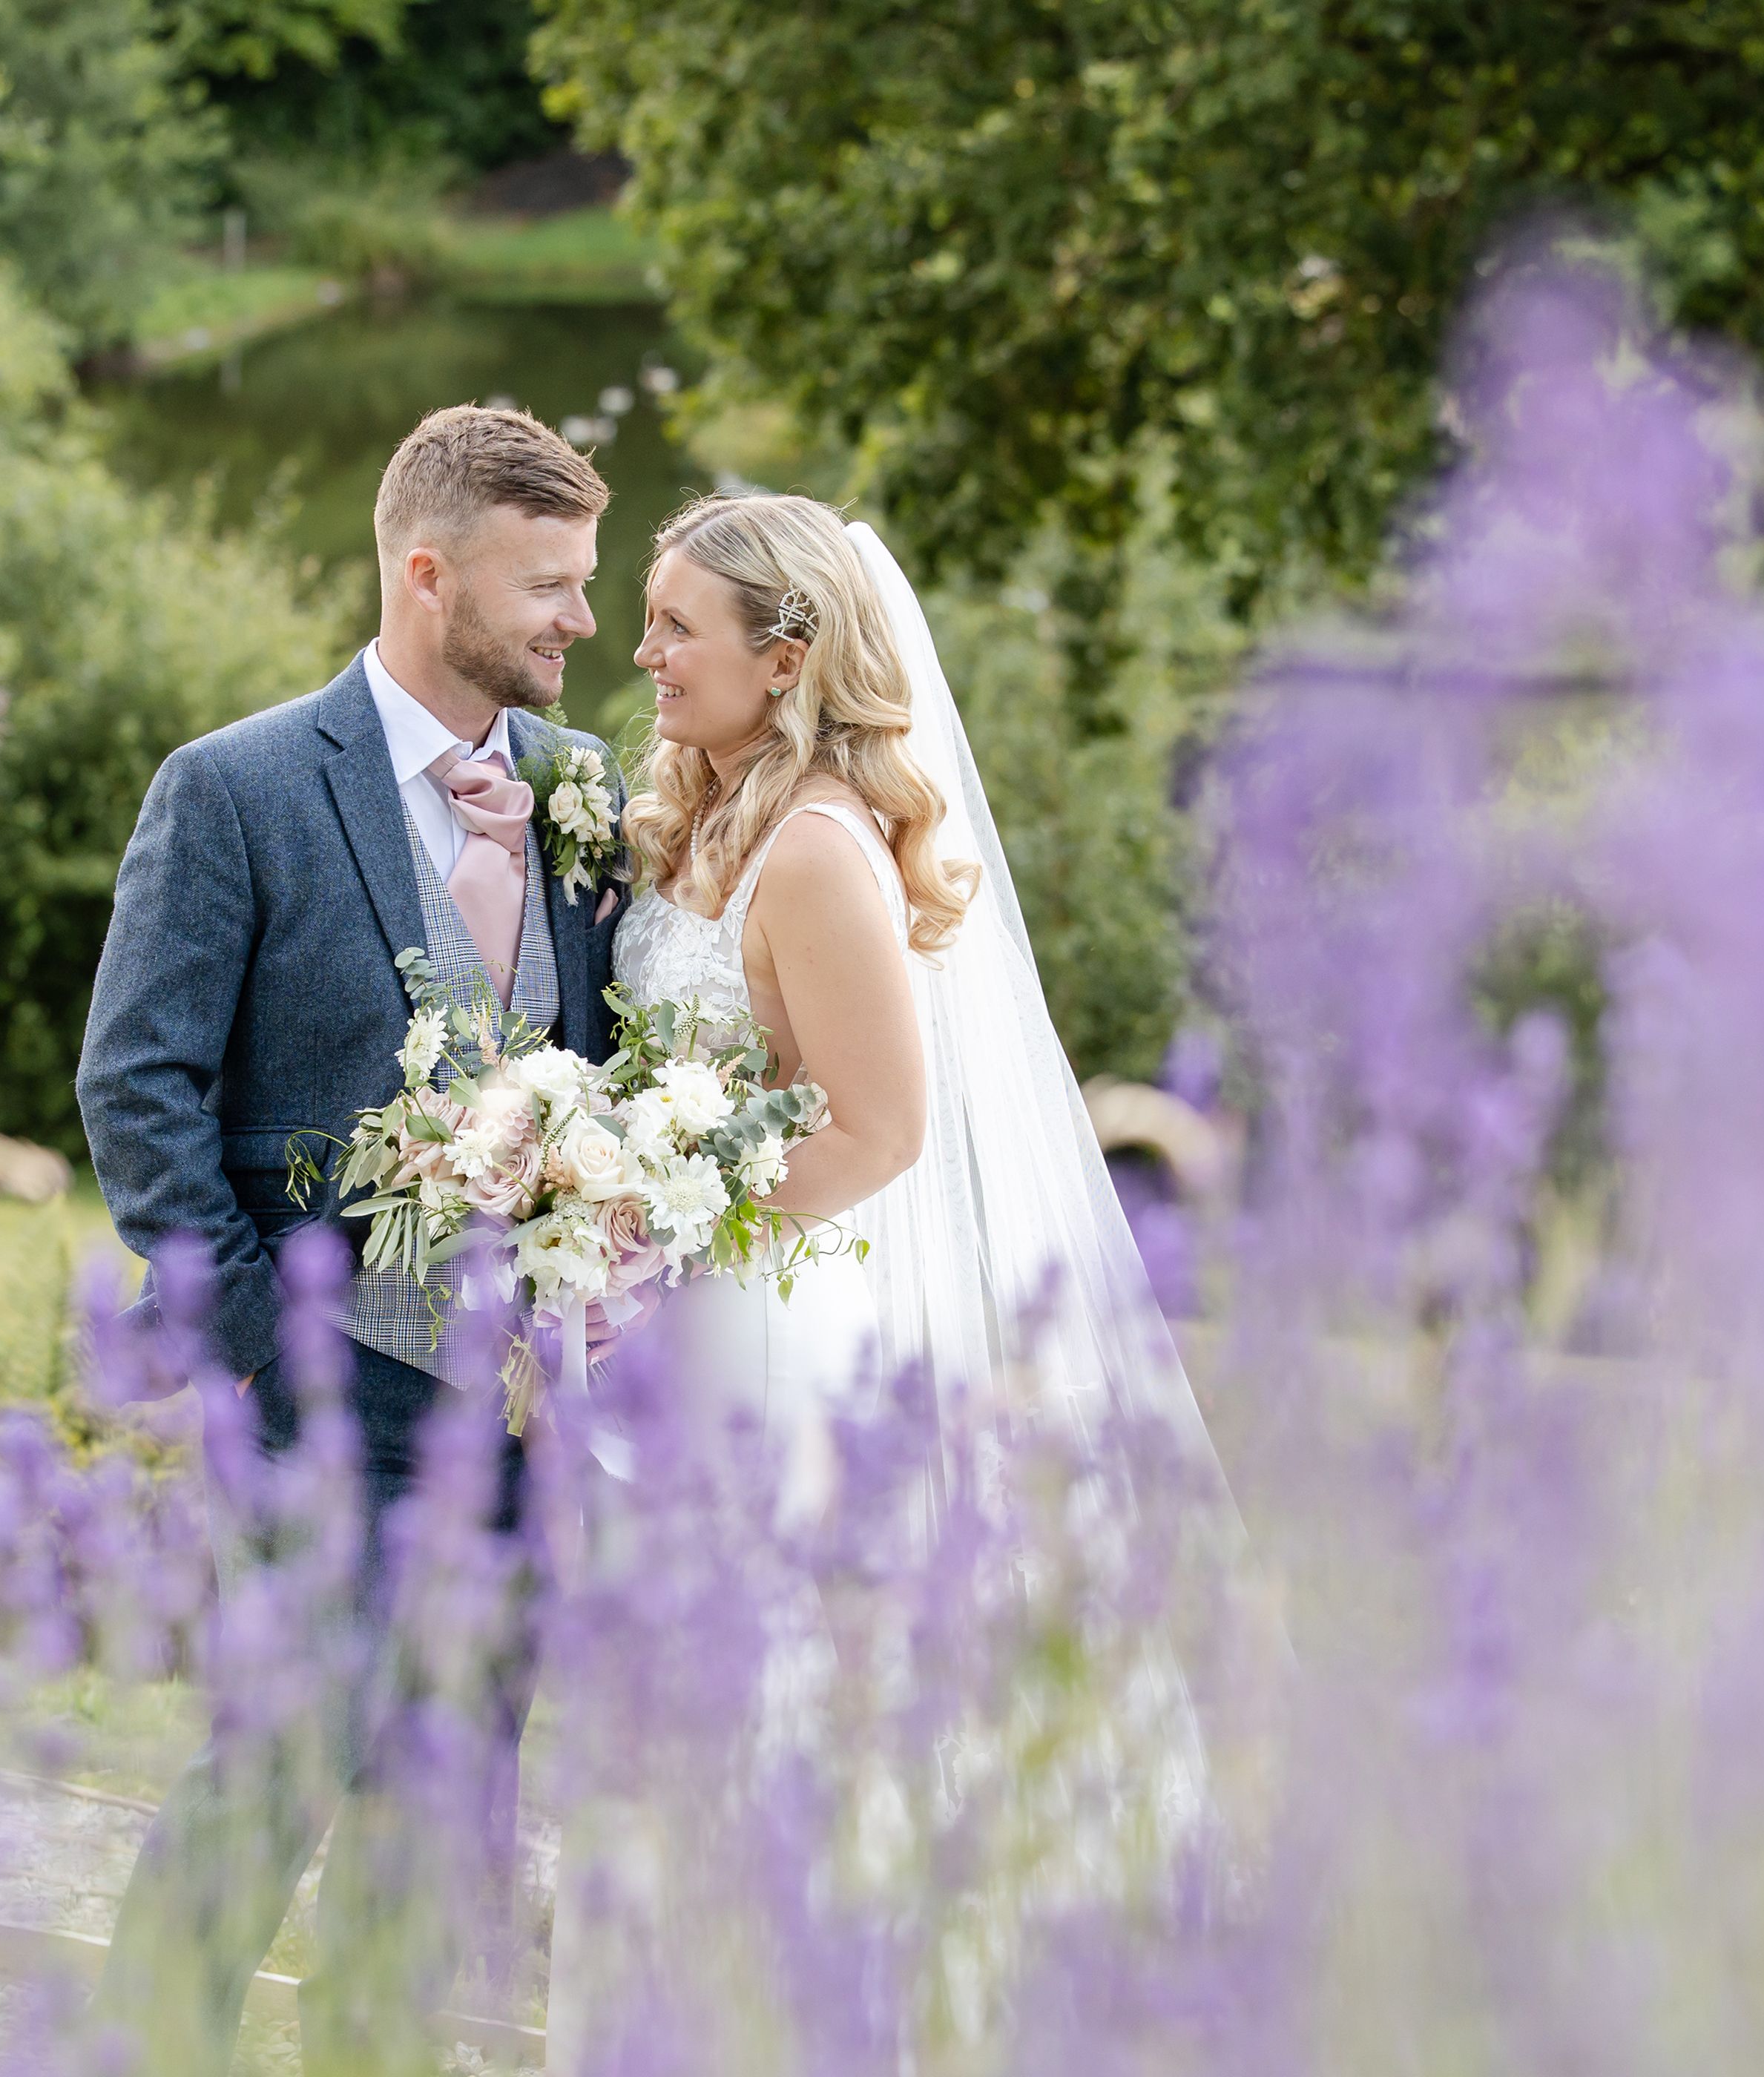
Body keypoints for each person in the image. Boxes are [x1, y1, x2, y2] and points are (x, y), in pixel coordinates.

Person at [544, 493, 1240, 2067]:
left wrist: (653, 1223)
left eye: (674, 627)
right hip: (692, 1328)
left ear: (785, 656)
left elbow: (879, 1128)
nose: (639, 650)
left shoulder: (817, 851)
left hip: (777, 1332)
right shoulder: (710, 813)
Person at [76, 404, 623, 2074]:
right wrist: (259, 1337)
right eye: (549, 585)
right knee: (282, 1758)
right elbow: (137, 1085)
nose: (582, 624)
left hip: (517, 1410)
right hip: (321, 1386)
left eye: (593, 584)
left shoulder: (582, 791)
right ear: (427, 569)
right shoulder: (234, 789)